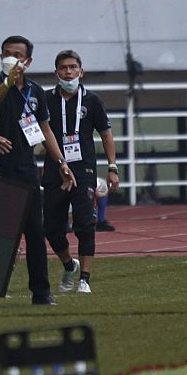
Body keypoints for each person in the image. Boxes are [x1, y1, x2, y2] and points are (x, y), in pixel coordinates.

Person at [0, 35, 76, 306]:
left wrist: (62, 162)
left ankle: (41, 292)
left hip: (26, 169)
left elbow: (44, 130)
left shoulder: (35, 91)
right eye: (6, 53)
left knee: (35, 231)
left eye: (17, 54)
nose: (11, 58)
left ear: (27, 61)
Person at [43, 50, 119, 294]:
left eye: (73, 67)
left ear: (81, 71)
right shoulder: (46, 100)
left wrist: (112, 167)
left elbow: (106, 134)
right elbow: (38, 134)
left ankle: (85, 279)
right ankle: (68, 265)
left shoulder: (92, 101)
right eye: (64, 68)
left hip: (84, 169)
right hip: (56, 169)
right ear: (56, 73)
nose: (68, 72)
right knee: (52, 229)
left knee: (85, 224)